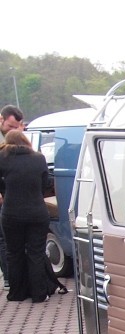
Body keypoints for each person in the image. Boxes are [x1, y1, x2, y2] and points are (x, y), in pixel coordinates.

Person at [0, 128, 63, 303]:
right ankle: (39, 294)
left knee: (14, 253)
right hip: (37, 211)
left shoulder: (2, 158)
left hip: (11, 212)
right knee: (36, 252)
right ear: (25, 141)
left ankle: (17, 293)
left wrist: (6, 192)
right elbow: (45, 183)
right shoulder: (38, 158)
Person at [0, 104, 25, 289]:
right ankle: (9, 278)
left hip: (12, 195)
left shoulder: (14, 138)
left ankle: (17, 277)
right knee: (3, 238)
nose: (12, 131)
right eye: (10, 127)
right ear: (1, 120)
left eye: (16, 128)